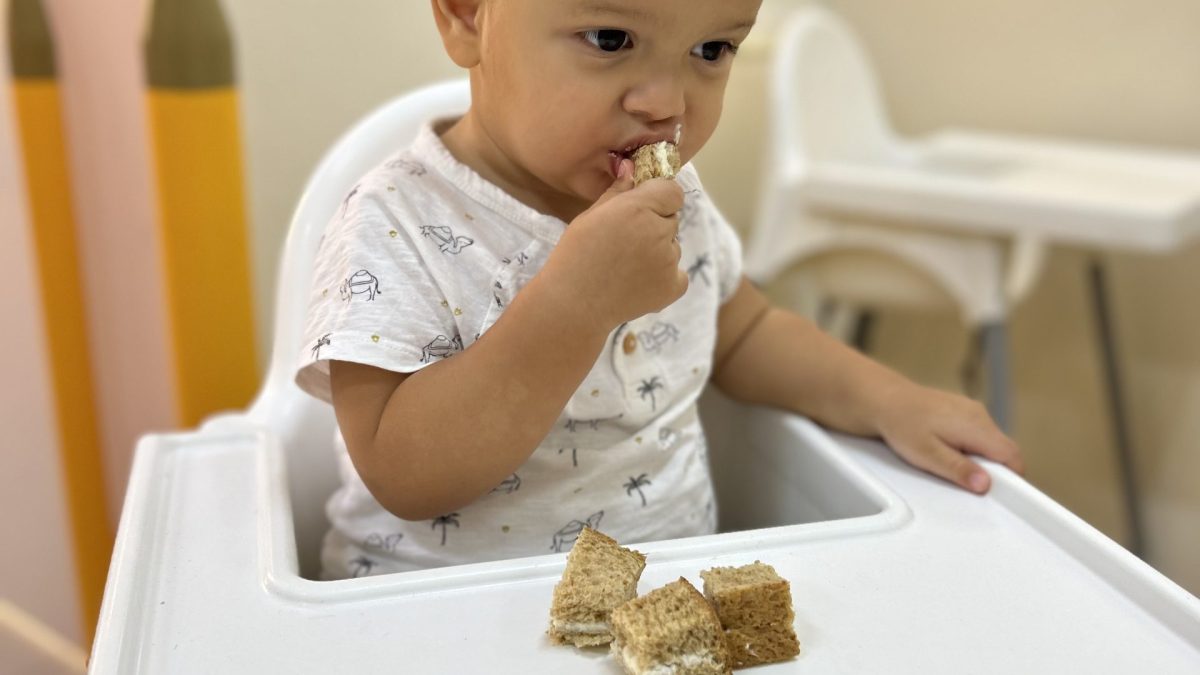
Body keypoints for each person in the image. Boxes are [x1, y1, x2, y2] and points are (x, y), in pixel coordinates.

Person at [295, 0, 1024, 579]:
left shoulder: (679, 199)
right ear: (465, 14)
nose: (667, 102)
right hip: (430, 622)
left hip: (659, 602)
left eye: (712, 50)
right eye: (611, 37)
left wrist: (887, 399)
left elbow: (743, 331)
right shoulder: (394, 220)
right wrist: (577, 303)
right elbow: (403, 470)